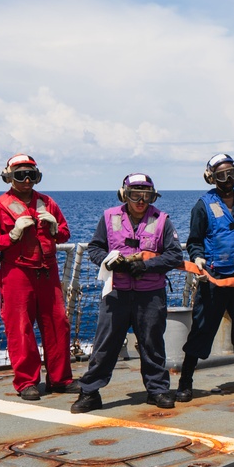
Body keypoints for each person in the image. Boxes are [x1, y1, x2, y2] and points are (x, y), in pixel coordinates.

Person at [71, 174, 183, 413]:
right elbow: (95, 248)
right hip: (116, 293)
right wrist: (109, 262)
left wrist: (146, 265)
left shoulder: (162, 220)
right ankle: (90, 392)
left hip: (150, 294)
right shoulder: (109, 216)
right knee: (105, 344)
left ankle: (157, 390)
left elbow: (174, 256)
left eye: (146, 196)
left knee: (152, 343)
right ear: (124, 194)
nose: (141, 201)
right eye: (135, 195)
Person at [0, 153, 77, 401]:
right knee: (20, 328)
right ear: (9, 177)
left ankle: (60, 379)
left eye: (31, 175)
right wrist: (11, 236)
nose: (27, 180)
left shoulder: (48, 203)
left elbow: (64, 234)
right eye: (21, 175)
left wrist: (56, 228)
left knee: (58, 324)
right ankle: (26, 382)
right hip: (17, 274)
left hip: (48, 272)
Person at [175, 154, 234, 402]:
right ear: (211, 178)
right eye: (221, 175)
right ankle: (186, 380)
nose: (228, 180)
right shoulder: (203, 205)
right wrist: (198, 258)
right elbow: (194, 240)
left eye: (232, 173)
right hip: (214, 280)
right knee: (202, 328)